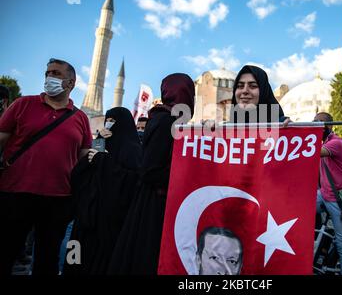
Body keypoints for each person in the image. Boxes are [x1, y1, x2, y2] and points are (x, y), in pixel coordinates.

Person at [0, 58, 92, 275]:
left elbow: (84, 157)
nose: (49, 77)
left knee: (47, 260)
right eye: (47, 72)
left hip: (58, 199)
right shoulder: (23, 104)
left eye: (56, 73)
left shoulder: (80, 118)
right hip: (15, 193)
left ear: (71, 83)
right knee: (5, 252)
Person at [108, 73, 195, 275]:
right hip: (153, 203)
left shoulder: (163, 118)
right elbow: (150, 170)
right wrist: (185, 175)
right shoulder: (167, 121)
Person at [64, 107, 142, 275]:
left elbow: (131, 183)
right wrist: (98, 142)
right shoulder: (101, 143)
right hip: (87, 217)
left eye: (114, 121)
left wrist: (104, 162)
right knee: (77, 261)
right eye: (108, 119)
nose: (109, 124)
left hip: (109, 223)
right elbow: (81, 173)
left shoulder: (132, 149)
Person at [314, 112, 342, 275]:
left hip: (340, 200)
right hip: (324, 195)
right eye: (313, 122)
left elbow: (313, 152)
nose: (316, 125)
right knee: (297, 213)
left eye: (320, 123)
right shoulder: (324, 142)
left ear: (329, 126)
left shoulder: (336, 143)